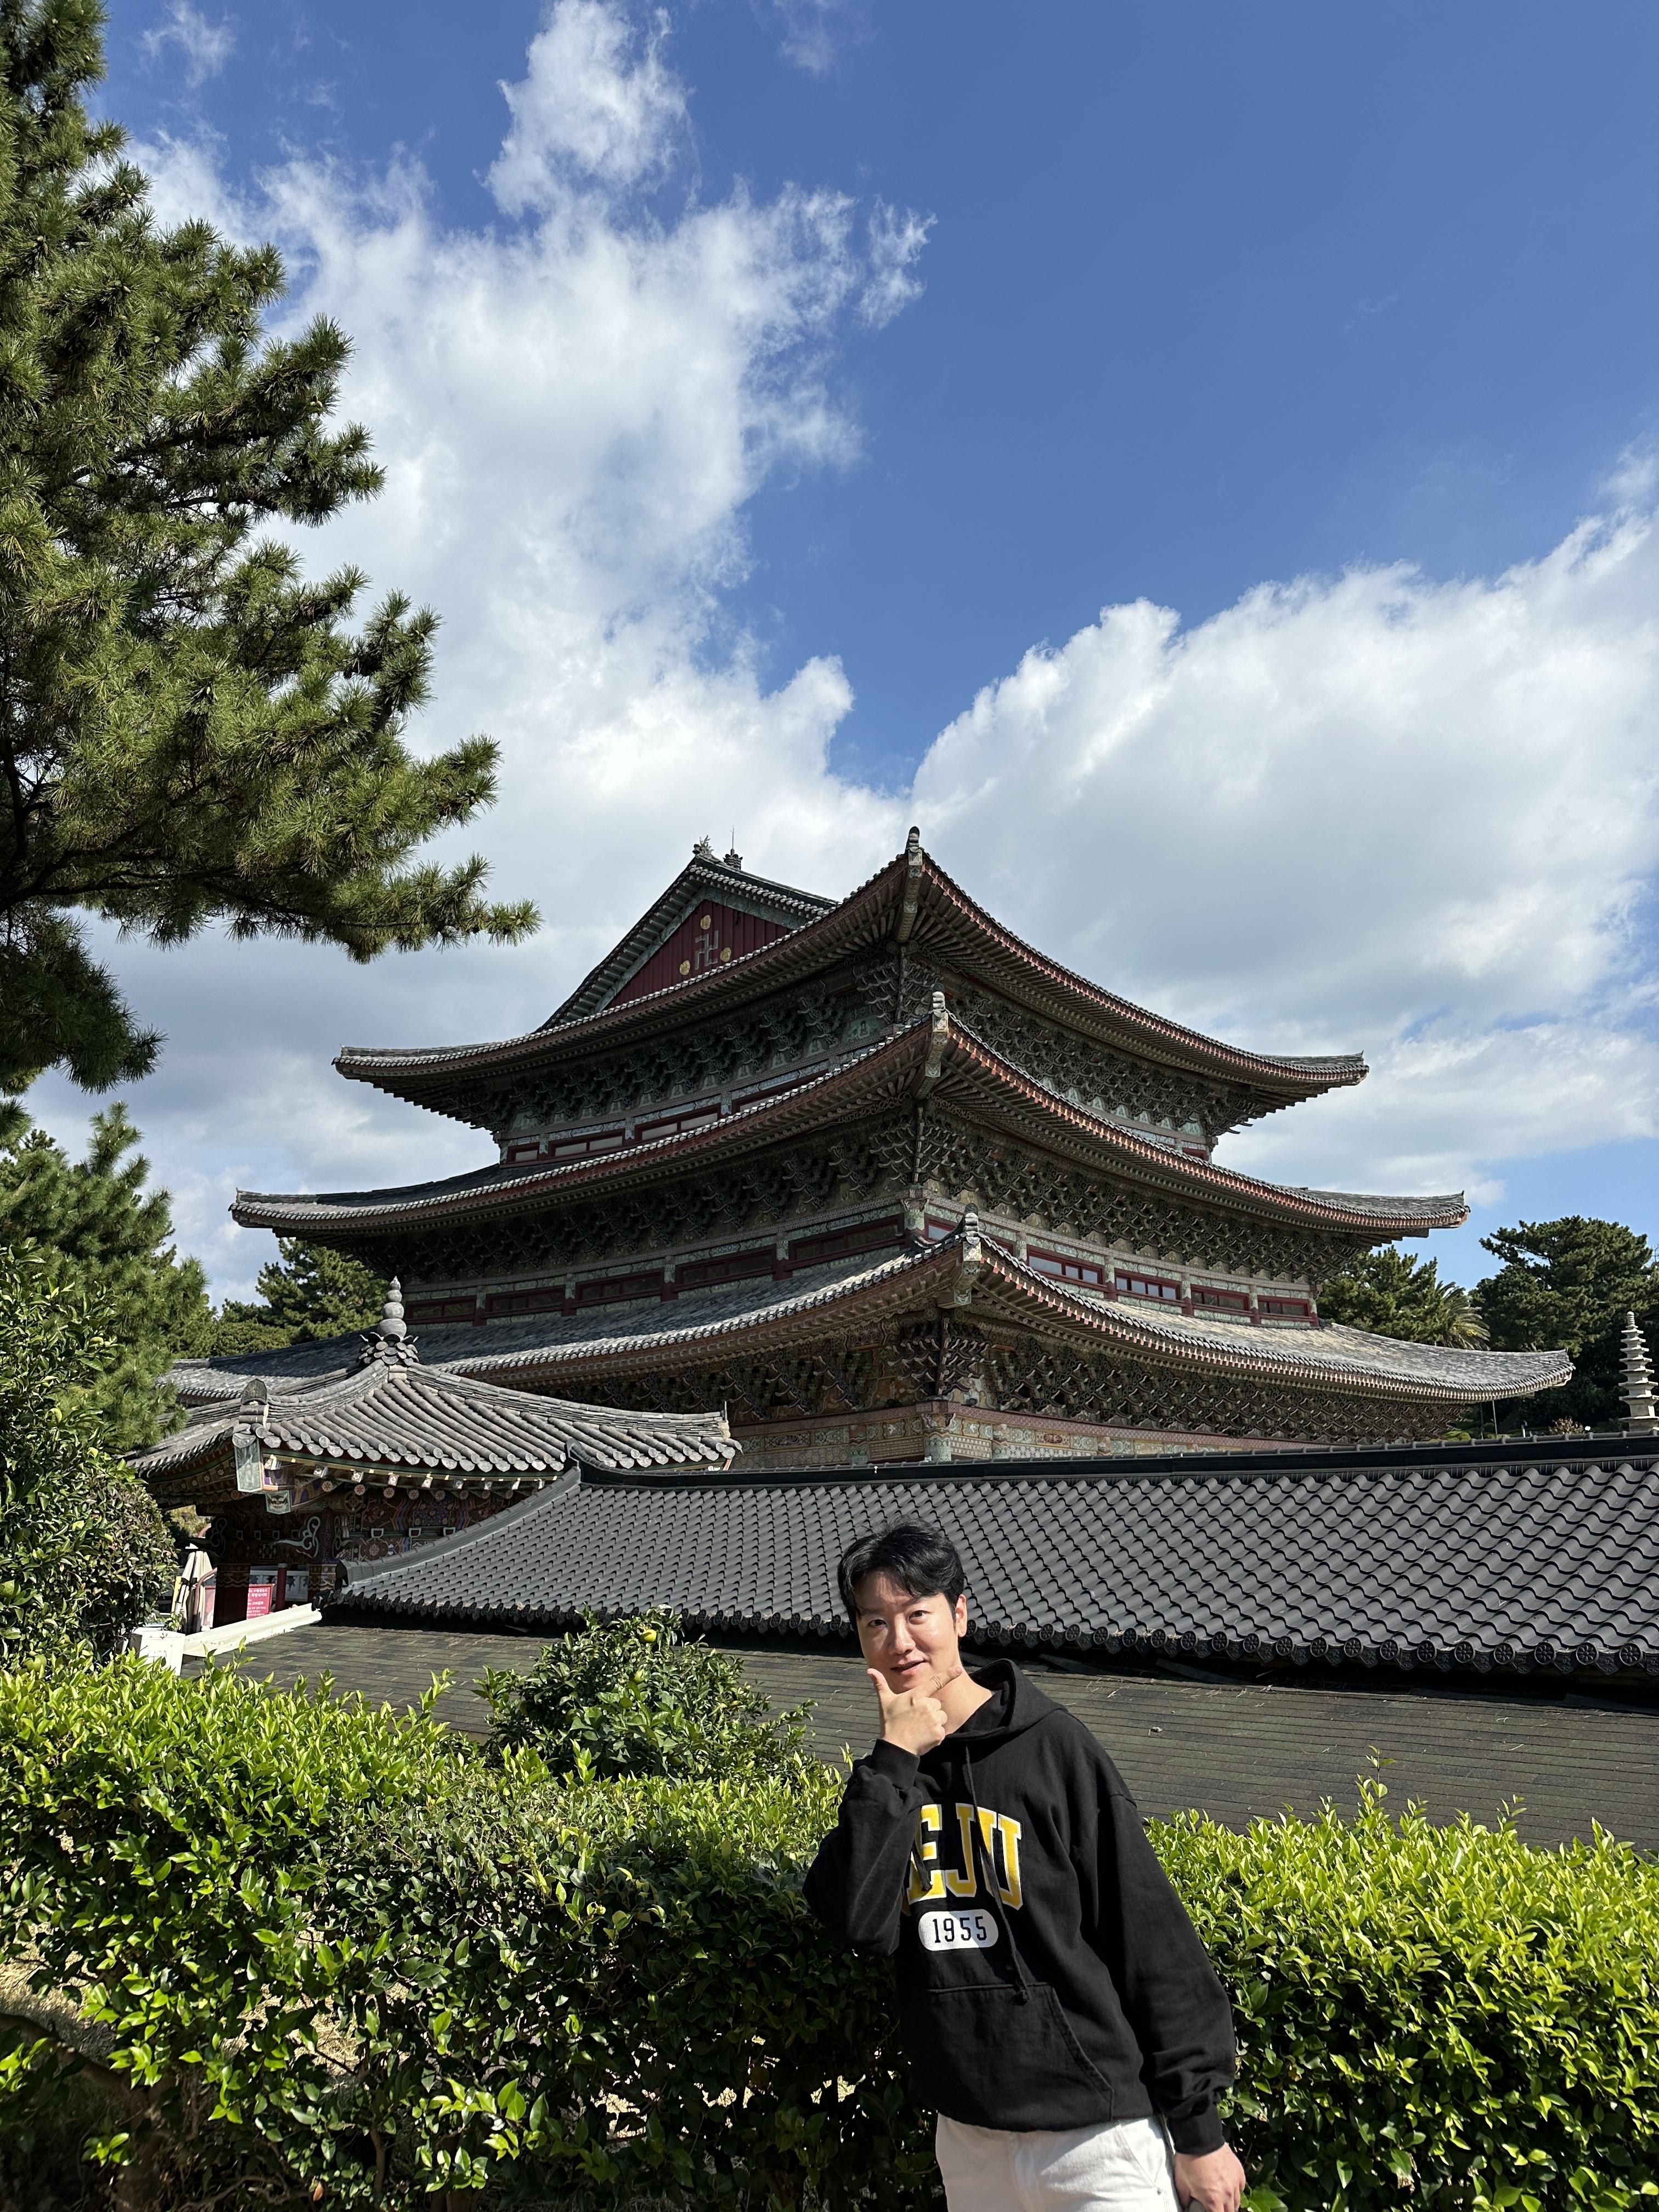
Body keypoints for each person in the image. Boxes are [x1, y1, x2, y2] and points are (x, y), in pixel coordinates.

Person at [804, 1521, 1245, 2212]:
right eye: (875, 1623)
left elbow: (1148, 1935)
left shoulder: (1053, 1749)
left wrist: (1199, 2132)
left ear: (959, 1614)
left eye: (917, 1614)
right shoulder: (889, 1779)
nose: (900, 1641)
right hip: (969, 2140)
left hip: (1098, 2138)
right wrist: (895, 1759)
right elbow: (858, 1921)